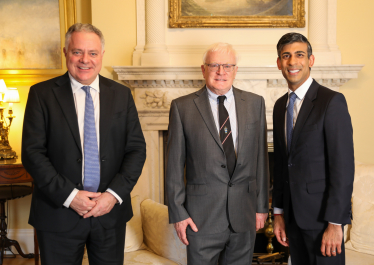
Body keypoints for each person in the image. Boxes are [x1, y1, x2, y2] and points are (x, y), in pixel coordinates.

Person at [22, 23, 146, 265]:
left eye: (92, 53)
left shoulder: (121, 95)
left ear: (101, 56)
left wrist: (112, 195)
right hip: (58, 214)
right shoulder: (42, 94)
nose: (85, 60)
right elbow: (32, 153)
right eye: (77, 51)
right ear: (66, 52)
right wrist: (70, 196)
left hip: (109, 214)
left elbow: (136, 150)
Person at [166, 42, 269, 265]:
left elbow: (261, 161)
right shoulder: (182, 107)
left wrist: (261, 208)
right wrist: (178, 213)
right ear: (203, 69)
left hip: (244, 214)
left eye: (227, 66)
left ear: (235, 70)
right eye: (214, 65)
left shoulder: (255, 104)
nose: (221, 72)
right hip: (200, 219)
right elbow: (173, 166)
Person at [272, 32, 354, 265]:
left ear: (311, 60)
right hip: (292, 222)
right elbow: (281, 165)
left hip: (323, 222)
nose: (292, 62)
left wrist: (335, 224)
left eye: (299, 54)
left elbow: (343, 168)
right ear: (279, 63)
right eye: (286, 56)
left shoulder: (331, 102)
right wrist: (278, 214)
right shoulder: (280, 106)